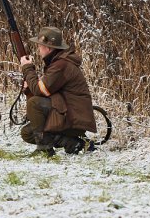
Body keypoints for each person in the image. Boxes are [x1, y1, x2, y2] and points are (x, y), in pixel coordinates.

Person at [19, 26, 95, 154]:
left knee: (34, 103)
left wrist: (27, 68)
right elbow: (46, 91)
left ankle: (44, 149)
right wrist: (29, 88)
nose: (38, 49)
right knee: (27, 133)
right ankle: (71, 142)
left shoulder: (61, 65)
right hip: (67, 112)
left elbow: (40, 91)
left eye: (40, 46)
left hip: (73, 118)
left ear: (48, 48)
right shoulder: (58, 62)